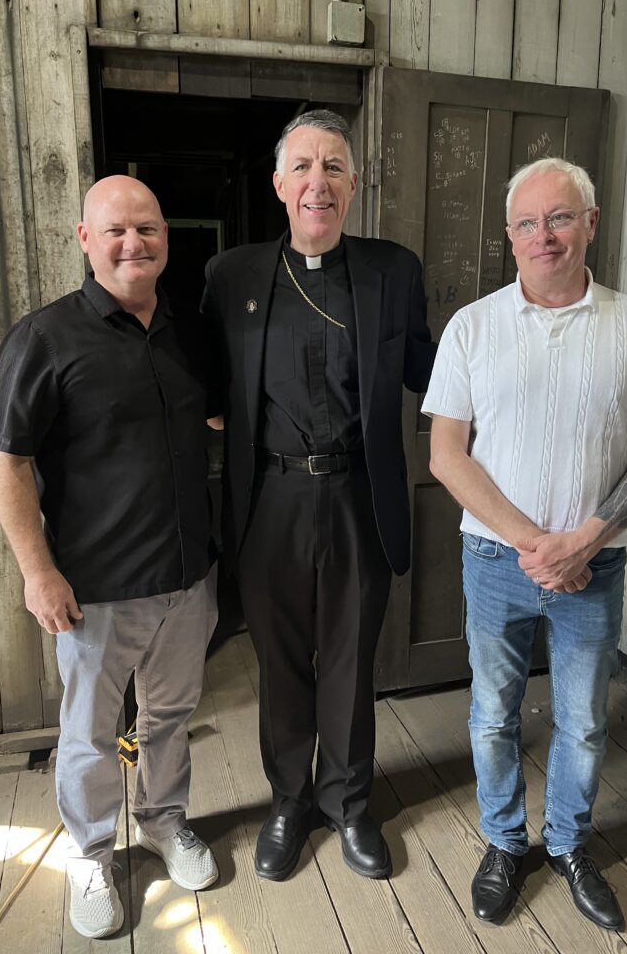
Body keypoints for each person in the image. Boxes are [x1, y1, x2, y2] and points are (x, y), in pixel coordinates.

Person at [423, 157, 627, 930]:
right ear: (510, 237)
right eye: (528, 223)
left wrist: (585, 541)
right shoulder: (473, 327)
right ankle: (506, 842)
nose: (545, 235)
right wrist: (539, 545)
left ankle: (570, 843)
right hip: (494, 563)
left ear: (590, 223)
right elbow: (446, 455)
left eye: (561, 217)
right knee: (492, 714)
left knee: (584, 721)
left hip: (594, 566)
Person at [202, 109, 435, 881]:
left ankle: (350, 804)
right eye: (302, 167)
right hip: (269, 497)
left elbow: (433, 372)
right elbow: (204, 381)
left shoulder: (393, 271)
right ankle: (288, 802)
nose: (317, 183)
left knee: (349, 660)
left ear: (354, 183)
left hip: (358, 495)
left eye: (333, 166)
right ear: (278, 184)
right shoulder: (230, 276)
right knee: (279, 663)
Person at [0, 176, 219, 939]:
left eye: (147, 228)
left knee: (170, 715)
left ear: (165, 238)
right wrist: (37, 571)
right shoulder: (45, 337)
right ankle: (89, 854)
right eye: (115, 230)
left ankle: (162, 820)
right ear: (86, 239)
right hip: (95, 590)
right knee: (89, 733)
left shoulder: (188, 331)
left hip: (187, 578)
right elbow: (7, 461)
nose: (133, 243)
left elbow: (215, 418)